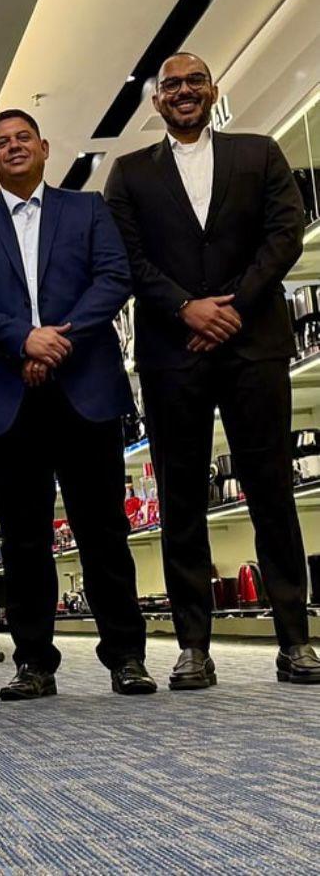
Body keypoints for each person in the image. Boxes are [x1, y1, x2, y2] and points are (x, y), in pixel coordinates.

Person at [104, 53, 319, 688]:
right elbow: (125, 257)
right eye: (171, 85)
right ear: (156, 102)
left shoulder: (259, 152)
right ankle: (193, 646)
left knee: (272, 490)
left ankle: (295, 640)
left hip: (255, 346)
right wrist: (185, 308)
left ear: (213, 90)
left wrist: (233, 306)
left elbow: (285, 233)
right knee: (180, 499)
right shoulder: (129, 172)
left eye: (194, 81)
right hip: (173, 354)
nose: (184, 91)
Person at [0, 109, 155, 700]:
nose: (13, 147)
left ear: (44, 148)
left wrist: (56, 342)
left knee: (103, 529)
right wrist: (22, 340)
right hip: (5, 398)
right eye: (1, 143)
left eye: (23, 138)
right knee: (23, 537)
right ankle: (34, 662)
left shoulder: (87, 210)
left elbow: (113, 279)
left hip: (84, 389)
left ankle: (126, 657)